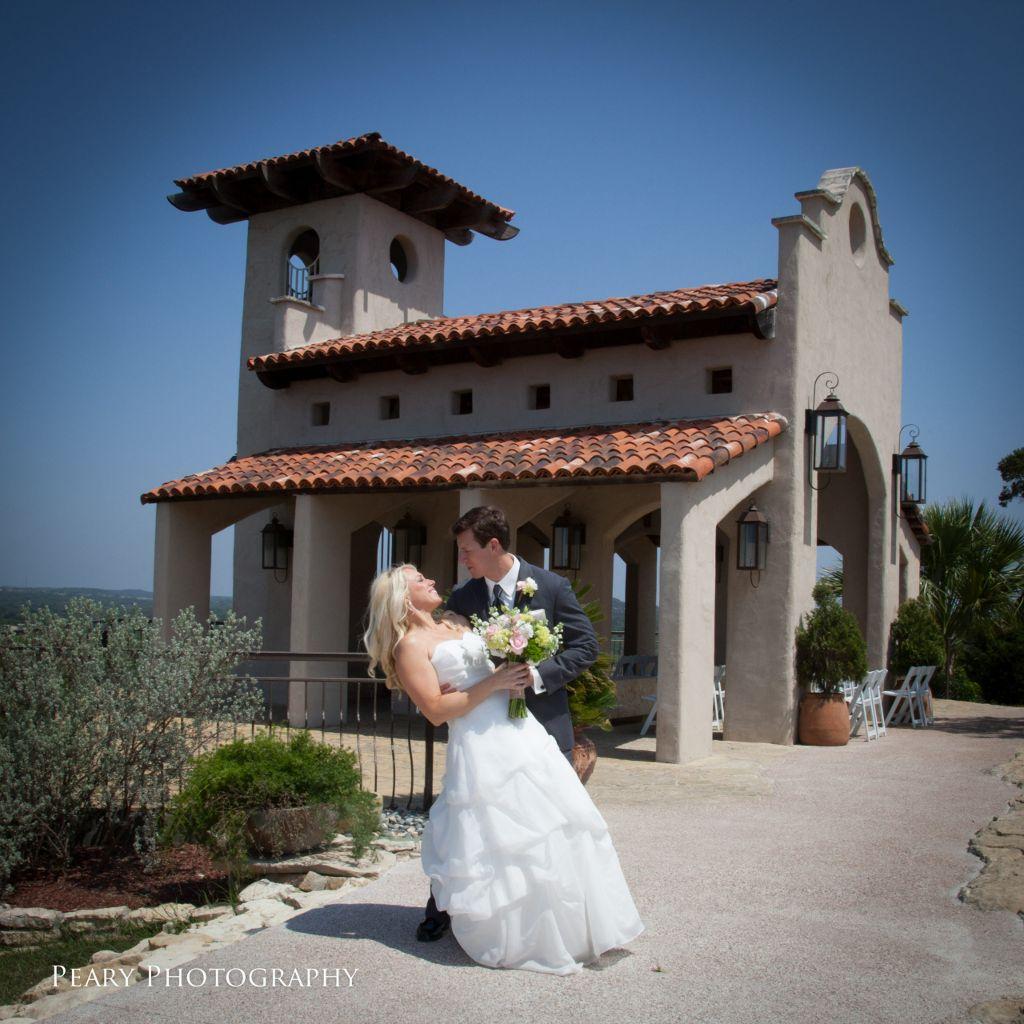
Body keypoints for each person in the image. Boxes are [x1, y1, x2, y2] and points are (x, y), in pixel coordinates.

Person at [362, 511, 644, 975]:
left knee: (549, 824)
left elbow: (585, 647)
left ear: (493, 545)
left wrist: (534, 674)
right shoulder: (462, 599)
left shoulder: (549, 587)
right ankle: (449, 912)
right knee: (475, 822)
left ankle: (564, 919)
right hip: (481, 732)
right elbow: (441, 683)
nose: (460, 560)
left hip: (537, 725)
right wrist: (477, 685)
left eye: (466, 550)